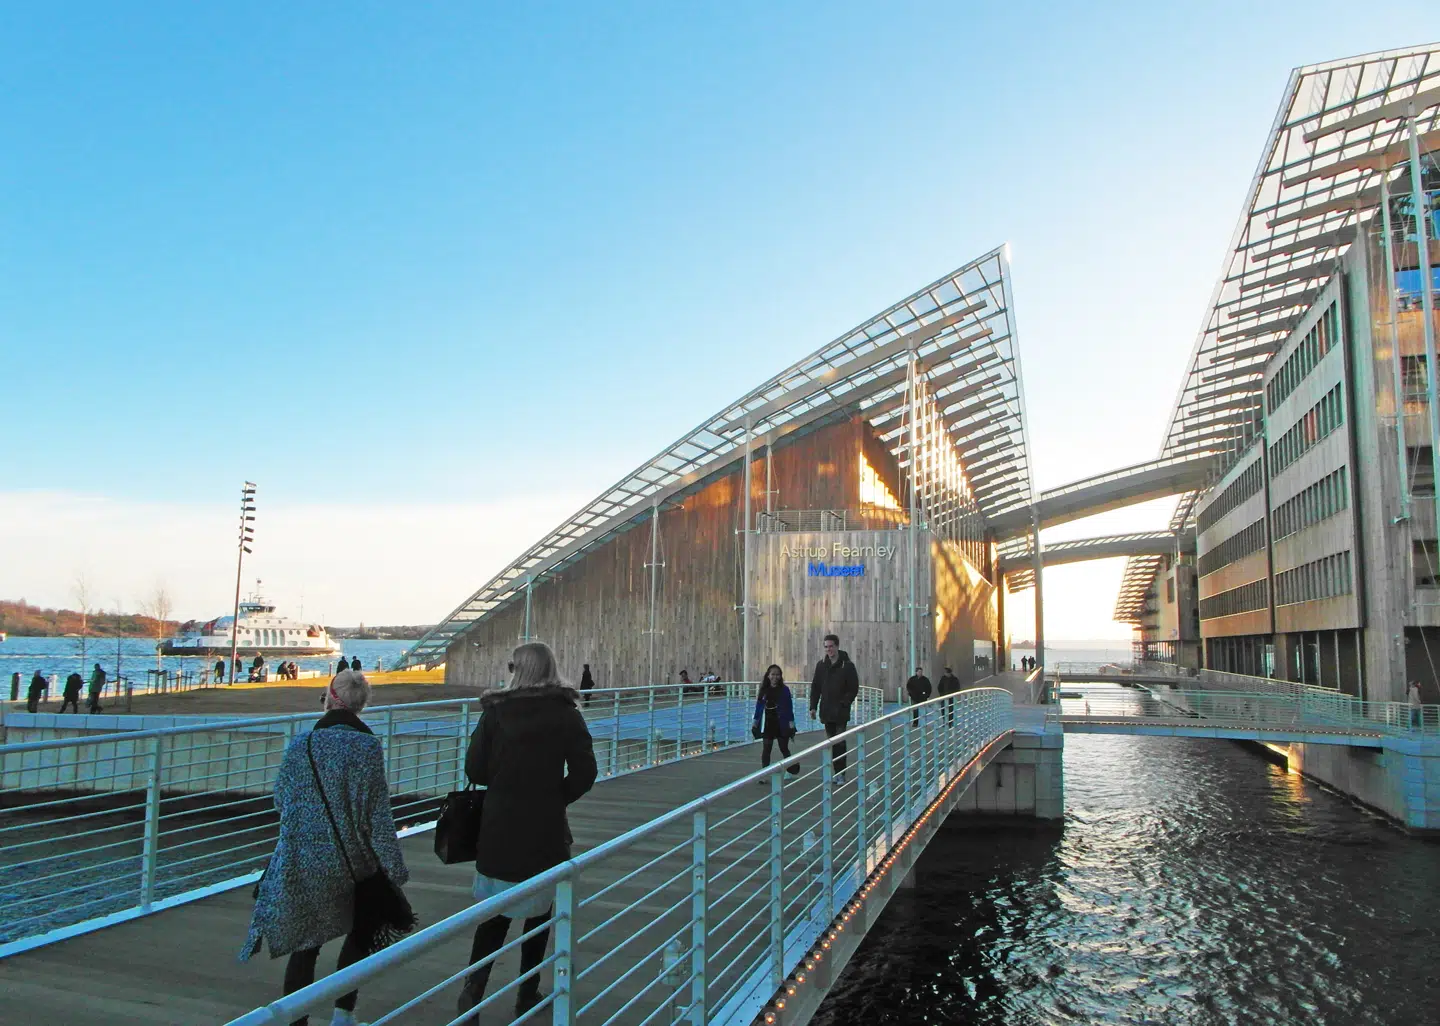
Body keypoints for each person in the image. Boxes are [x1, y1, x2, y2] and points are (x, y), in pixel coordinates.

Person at [241, 670, 408, 1026]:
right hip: (353, 864)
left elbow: (281, 800)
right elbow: (377, 818)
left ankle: (296, 1020)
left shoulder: (302, 743)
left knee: (305, 945)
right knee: (363, 931)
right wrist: (394, 867)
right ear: (361, 705)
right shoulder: (367, 747)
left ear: (330, 699)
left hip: (302, 861)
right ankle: (343, 1014)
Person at [457, 642, 597, 1020]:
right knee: (539, 916)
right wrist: (554, 798)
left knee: (493, 917)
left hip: (499, 823)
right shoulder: (566, 712)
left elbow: (474, 770)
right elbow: (586, 773)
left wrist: (504, 785)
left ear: (517, 669)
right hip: (545, 827)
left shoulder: (496, 712)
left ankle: (473, 992)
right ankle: (527, 993)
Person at [809, 634, 859, 784]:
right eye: (826, 646)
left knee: (840, 742)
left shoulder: (847, 666)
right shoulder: (821, 665)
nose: (828, 649)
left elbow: (853, 687)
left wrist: (845, 702)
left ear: (837, 646)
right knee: (832, 743)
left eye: (831, 646)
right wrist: (813, 706)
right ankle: (837, 772)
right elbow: (816, 687)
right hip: (826, 710)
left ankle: (841, 774)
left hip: (841, 711)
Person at [752, 665, 801, 776]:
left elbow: (789, 709)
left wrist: (792, 726)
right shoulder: (763, 689)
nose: (775, 677)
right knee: (766, 749)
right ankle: (764, 774)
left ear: (780, 676)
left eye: (777, 674)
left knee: (784, 748)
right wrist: (755, 723)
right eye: (773, 674)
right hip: (768, 723)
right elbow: (758, 707)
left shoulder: (785, 690)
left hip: (781, 723)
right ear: (768, 675)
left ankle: (791, 768)